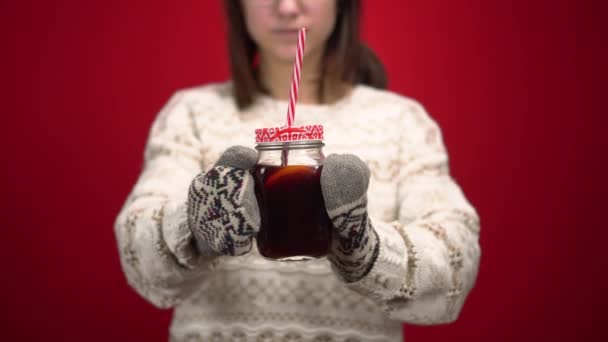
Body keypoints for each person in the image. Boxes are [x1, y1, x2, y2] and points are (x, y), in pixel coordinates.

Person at [114, 0, 481, 341]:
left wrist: (365, 247)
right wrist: (196, 227)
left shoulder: (403, 122)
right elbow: (140, 259)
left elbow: (453, 268)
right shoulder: (190, 113)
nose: (287, 7)